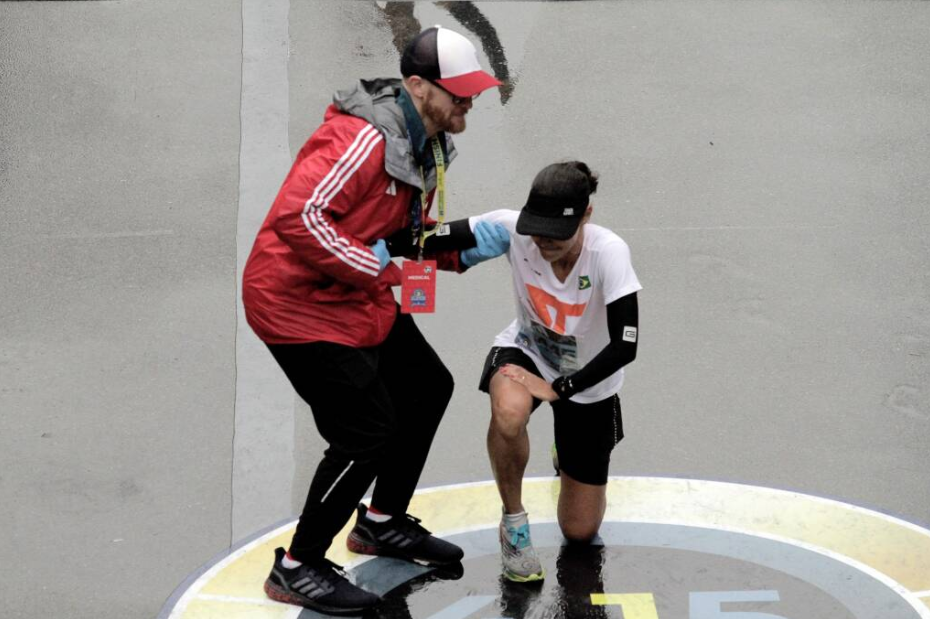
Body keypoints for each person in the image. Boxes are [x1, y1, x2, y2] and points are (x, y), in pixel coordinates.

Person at [241, 26, 508, 615]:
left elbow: (401, 237)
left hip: (354, 292)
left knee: (426, 387)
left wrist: (473, 241)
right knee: (364, 433)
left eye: (473, 91)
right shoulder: (360, 139)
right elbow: (299, 218)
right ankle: (298, 565)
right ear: (417, 86)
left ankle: (382, 522)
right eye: (459, 92)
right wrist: (381, 269)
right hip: (296, 303)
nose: (470, 101)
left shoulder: (427, 141)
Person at [470, 161, 641, 582]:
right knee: (508, 413)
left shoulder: (609, 253)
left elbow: (626, 345)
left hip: (587, 381)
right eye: (536, 226)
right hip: (526, 350)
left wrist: (560, 387)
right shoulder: (512, 229)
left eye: (555, 230)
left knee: (580, 532)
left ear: (586, 214)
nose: (543, 240)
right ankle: (515, 527)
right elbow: (434, 239)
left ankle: (564, 456)